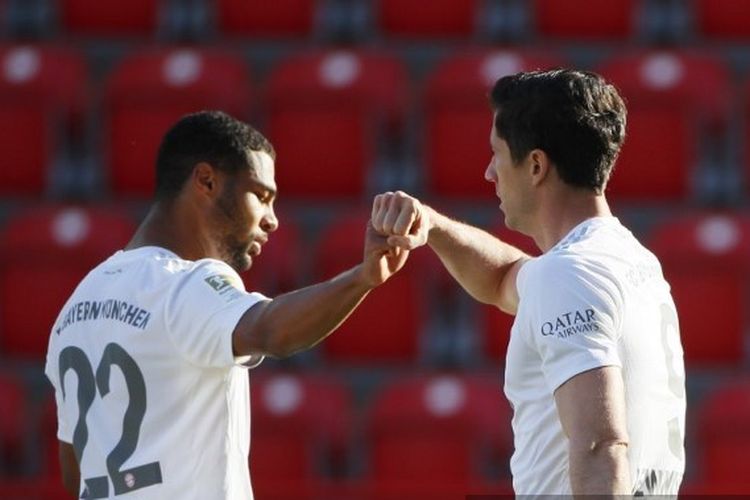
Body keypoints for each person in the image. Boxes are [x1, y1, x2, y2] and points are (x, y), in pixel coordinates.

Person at [45, 110, 410, 499]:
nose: (272, 220)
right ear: (206, 181)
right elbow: (269, 330)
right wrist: (362, 278)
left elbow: (77, 473)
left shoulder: (77, 305)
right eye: (262, 196)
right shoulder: (186, 282)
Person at [372, 69, 686, 495]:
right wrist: (434, 225)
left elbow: (600, 444)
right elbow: (503, 279)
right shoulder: (630, 260)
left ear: (536, 165)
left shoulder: (567, 275)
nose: (489, 173)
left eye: (496, 154)